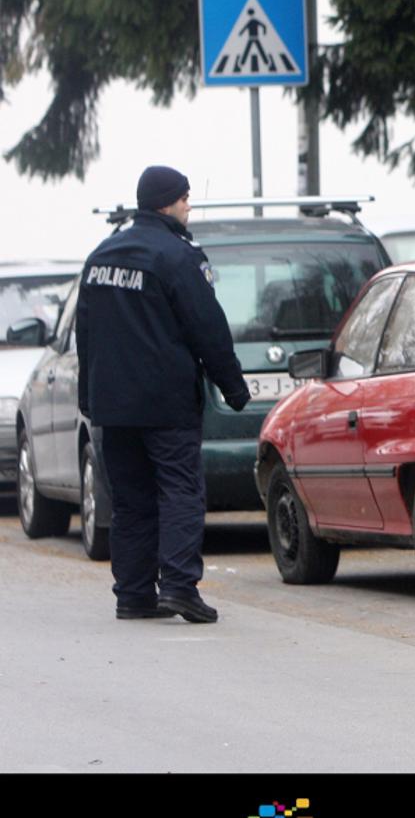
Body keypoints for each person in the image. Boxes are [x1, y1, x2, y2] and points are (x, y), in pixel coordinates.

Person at [77, 165, 250, 623]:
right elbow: (206, 326)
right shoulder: (177, 256)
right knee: (180, 492)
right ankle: (178, 587)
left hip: (114, 407)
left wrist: (89, 397)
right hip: (166, 403)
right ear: (167, 203)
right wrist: (233, 387)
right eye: (185, 198)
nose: (189, 207)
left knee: (131, 500)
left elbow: (85, 334)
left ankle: (134, 594)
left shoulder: (100, 257)